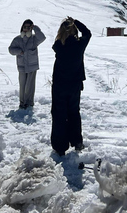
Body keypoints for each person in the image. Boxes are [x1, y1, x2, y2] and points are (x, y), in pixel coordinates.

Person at [50, 17, 91, 156]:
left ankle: (59, 145)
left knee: (59, 113)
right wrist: (77, 22)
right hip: (75, 85)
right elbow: (88, 33)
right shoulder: (79, 45)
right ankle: (77, 141)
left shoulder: (58, 46)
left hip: (59, 85)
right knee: (74, 112)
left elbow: (59, 40)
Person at [8, 19, 46, 110]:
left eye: (28, 27)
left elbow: (42, 37)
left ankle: (29, 103)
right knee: (22, 86)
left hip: (32, 66)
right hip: (21, 66)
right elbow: (10, 49)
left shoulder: (34, 39)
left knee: (30, 86)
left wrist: (35, 28)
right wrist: (19, 52)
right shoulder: (17, 39)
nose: (26, 29)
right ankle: (22, 103)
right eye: (25, 27)